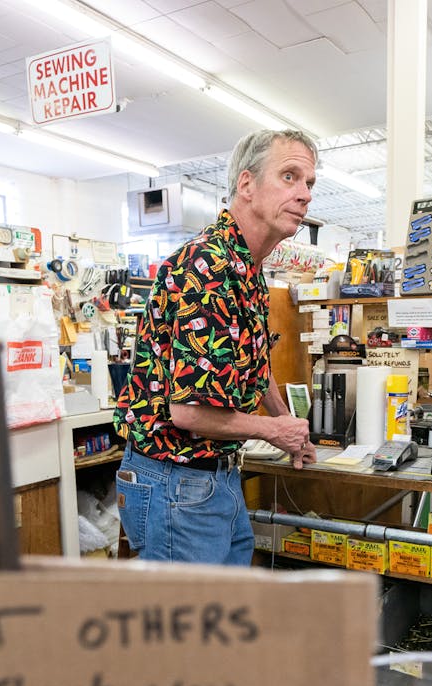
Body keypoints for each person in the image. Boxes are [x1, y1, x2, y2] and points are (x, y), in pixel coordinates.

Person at [113, 129, 318, 566]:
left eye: (309, 183)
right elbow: (188, 413)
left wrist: (287, 424)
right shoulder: (205, 270)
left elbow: (255, 364)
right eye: (289, 176)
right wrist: (272, 431)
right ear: (246, 185)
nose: (304, 195)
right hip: (175, 483)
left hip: (214, 478)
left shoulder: (248, 270)